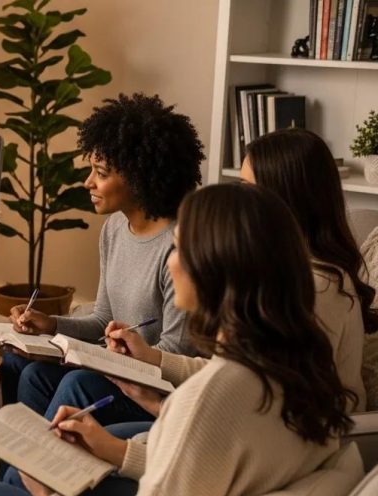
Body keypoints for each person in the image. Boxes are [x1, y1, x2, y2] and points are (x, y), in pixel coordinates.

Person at [0, 182, 353, 496]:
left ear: (213, 269)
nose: (171, 262)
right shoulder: (294, 363)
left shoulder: (215, 393)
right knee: (28, 468)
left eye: (179, 250)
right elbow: (205, 470)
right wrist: (114, 449)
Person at [105, 128, 374, 428]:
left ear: (282, 199)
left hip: (292, 437)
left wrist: (157, 405)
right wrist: (151, 357)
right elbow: (232, 373)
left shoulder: (313, 287)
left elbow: (260, 408)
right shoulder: (280, 269)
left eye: (248, 187)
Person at [4, 93, 205, 440]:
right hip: (116, 370)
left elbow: (178, 352)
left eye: (101, 173)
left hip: (153, 392)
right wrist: (49, 324)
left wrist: (119, 356)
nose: (88, 183)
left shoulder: (180, 246)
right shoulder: (114, 228)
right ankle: (18, 477)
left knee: (78, 383)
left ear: (139, 178)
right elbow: (101, 318)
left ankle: (40, 474)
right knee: (23, 367)